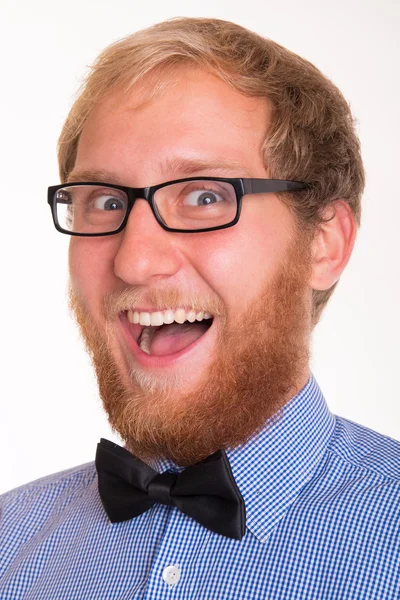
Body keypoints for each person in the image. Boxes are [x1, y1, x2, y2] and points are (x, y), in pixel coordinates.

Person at [0, 16, 398, 599]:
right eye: (106, 201)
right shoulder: (11, 541)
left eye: (205, 196)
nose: (135, 261)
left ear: (324, 242)